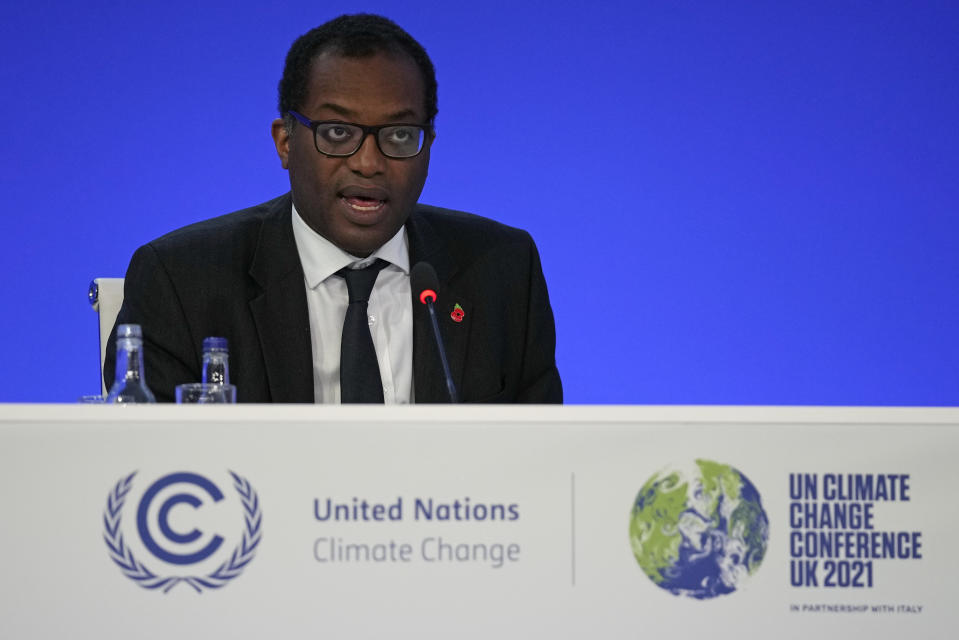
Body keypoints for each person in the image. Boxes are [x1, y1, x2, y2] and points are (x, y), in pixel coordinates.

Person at [105, 13, 561, 404]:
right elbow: (153, 469)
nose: (369, 162)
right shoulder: (182, 281)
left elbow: (542, 462)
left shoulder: (501, 269)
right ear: (286, 143)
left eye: (400, 135)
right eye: (338, 133)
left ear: (429, 148)